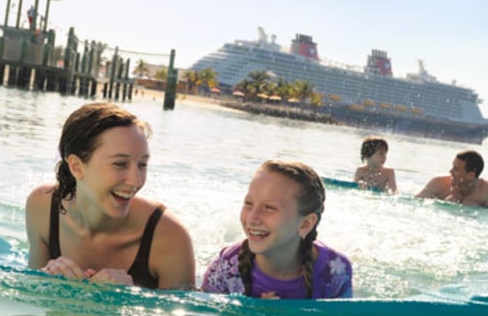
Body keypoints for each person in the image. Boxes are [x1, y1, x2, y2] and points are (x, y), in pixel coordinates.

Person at [25, 102, 196, 289]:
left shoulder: (169, 238)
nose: (136, 181)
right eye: (120, 164)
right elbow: (30, 300)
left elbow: (183, 315)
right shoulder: (43, 206)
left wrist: (128, 300)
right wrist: (46, 281)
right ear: (76, 166)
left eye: (142, 164)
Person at [201, 160, 352, 299]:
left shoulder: (334, 271)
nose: (252, 219)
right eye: (248, 203)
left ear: (305, 224)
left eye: (269, 207)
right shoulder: (227, 265)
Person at [415, 150, 488, 208]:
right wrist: (443, 205)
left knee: (471, 205)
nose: (450, 171)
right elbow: (415, 202)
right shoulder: (438, 183)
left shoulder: (487, 190)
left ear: (471, 175)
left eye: (456, 169)